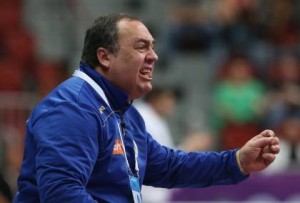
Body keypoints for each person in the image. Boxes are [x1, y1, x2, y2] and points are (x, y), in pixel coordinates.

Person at [14, 14, 280, 203]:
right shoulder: (72, 108)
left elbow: (169, 166)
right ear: (104, 56)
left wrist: (236, 162)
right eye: (142, 46)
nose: (154, 56)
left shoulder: (123, 112)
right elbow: (62, 195)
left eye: (153, 47)